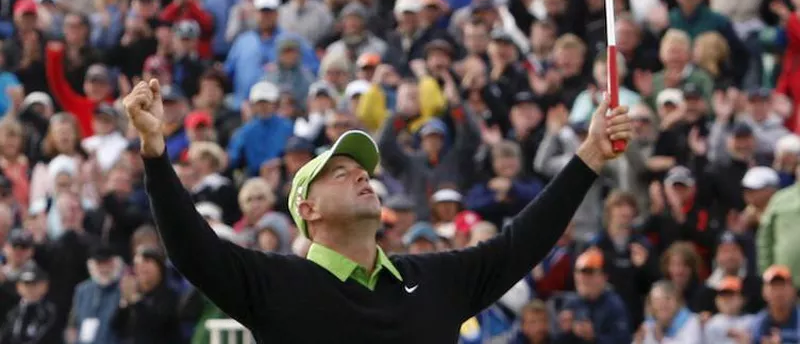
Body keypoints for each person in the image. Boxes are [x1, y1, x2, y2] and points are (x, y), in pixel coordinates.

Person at [123, 77, 632, 343]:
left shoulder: (436, 280)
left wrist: (588, 157)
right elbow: (192, 249)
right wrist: (155, 153)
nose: (362, 175)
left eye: (363, 170)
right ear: (308, 209)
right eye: (340, 173)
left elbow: (521, 243)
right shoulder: (274, 284)